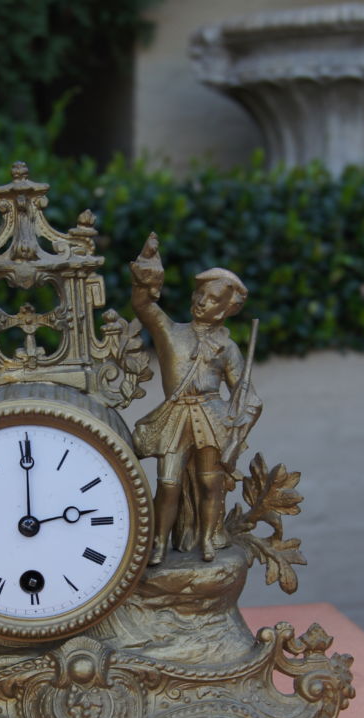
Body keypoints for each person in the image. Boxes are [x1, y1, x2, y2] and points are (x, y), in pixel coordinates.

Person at [130, 233, 261, 565]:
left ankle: (207, 538)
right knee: (168, 483)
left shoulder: (228, 347)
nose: (203, 302)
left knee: (209, 484)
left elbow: (248, 397)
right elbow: (144, 305)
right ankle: (159, 543)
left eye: (213, 299)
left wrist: (237, 431)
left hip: (211, 418)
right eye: (200, 294)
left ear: (226, 309)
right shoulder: (170, 332)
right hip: (175, 416)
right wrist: (148, 266)